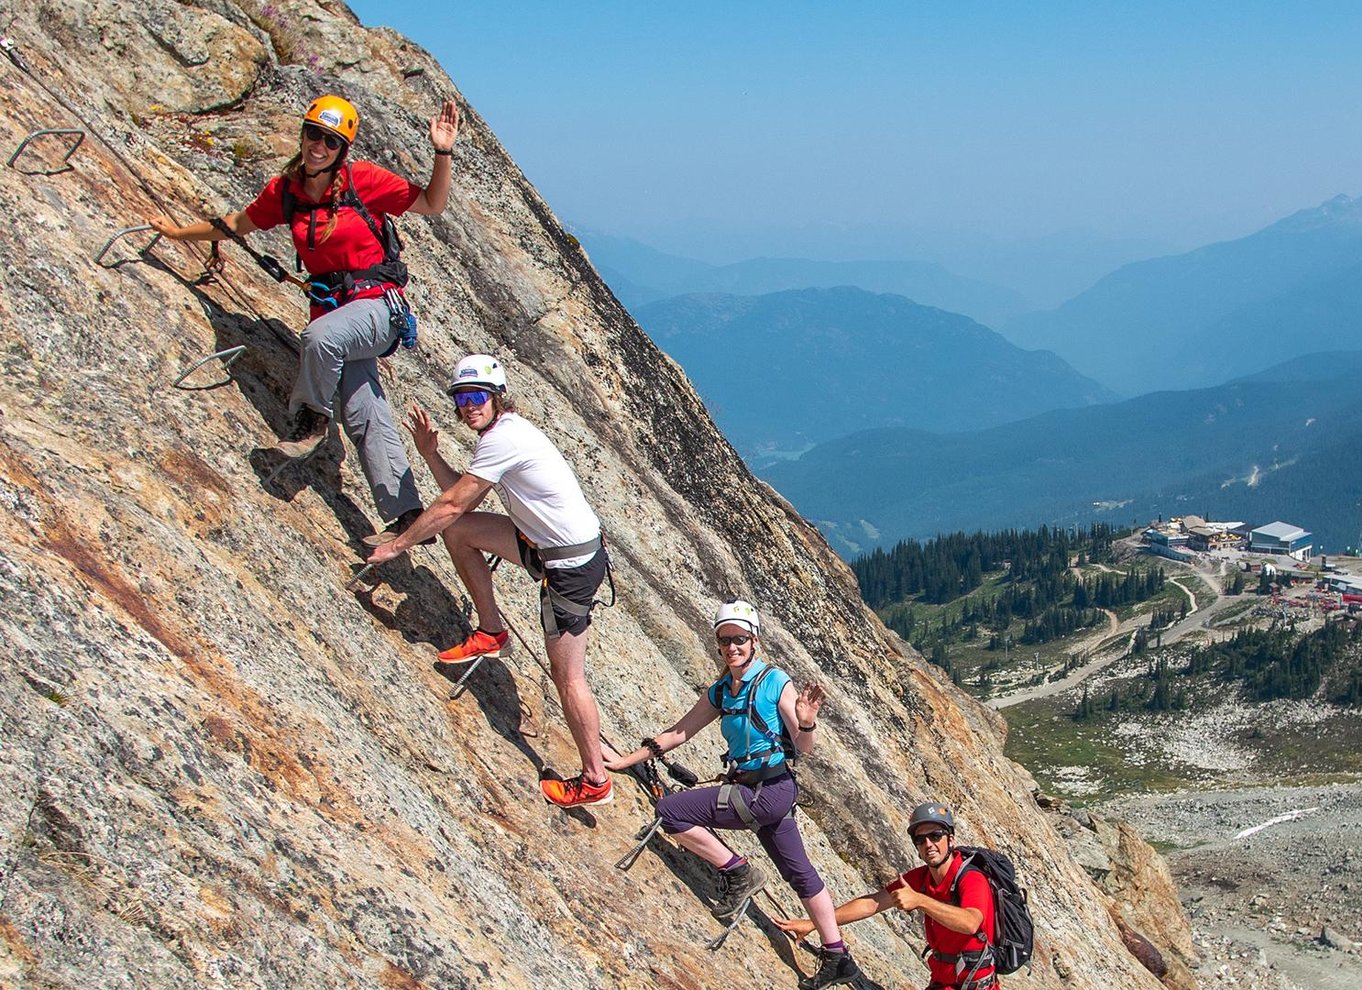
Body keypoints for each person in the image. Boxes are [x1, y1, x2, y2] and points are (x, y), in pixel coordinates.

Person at [149, 94, 459, 545]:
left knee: (320, 338)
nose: (319, 146)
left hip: (378, 310)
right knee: (361, 405)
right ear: (303, 134)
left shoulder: (363, 181)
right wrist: (179, 233)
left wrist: (442, 151)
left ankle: (310, 422)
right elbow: (237, 224)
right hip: (338, 315)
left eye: (331, 141)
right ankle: (407, 513)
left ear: (342, 149)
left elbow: (432, 203)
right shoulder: (287, 193)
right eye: (314, 134)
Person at [365, 354, 615, 809]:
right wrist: (430, 455)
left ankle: (594, 779)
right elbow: (458, 503)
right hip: (550, 547)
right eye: (461, 398)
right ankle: (491, 630)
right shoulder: (505, 433)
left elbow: (451, 503)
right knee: (459, 535)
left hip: (569, 567)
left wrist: (398, 546)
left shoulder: (504, 439)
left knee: (568, 677)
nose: (468, 406)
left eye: (476, 396)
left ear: (496, 397)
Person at [606, 600, 864, 990]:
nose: (732, 647)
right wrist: (629, 758)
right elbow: (680, 732)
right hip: (762, 792)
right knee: (801, 874)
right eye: (725, 640)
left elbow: (804, 748)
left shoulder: (775, 681)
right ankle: (836, 954)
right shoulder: (722, 691)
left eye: (739, 639)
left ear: (754, 640)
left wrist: (807, 723)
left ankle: (738, 871)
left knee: (671, 811)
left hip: (769, 790)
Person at [776, 801, 998, 990]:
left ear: (950, 840)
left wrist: (920, 901)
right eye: (921, 840)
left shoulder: (970, 878)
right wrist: (814, 923)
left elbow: (970, 923)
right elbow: (871, 904)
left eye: (935, 835)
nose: (928, 844)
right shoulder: (920, 878)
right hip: (942, 981)